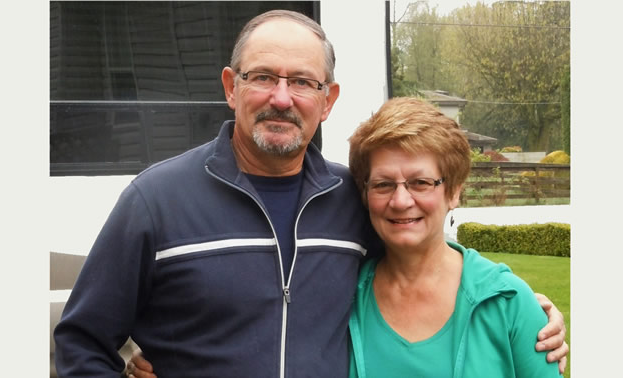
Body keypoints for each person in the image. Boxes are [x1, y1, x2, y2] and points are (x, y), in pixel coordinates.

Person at [54, 10, 567, 378]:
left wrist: (515, 305)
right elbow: (81, 342)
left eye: (302, 81)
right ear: (232, 87)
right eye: (263, 78)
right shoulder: (156, 200)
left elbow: (422, 252)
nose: (282, 98)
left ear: (328, 100)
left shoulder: (352, 199)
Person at [344, 97, 562, 377]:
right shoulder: (342, 299)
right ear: (365, 194)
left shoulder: (507, 303)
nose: (400, 201)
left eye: (421, 183)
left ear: (454, 192)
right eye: (383, 184)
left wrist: (526, 311)